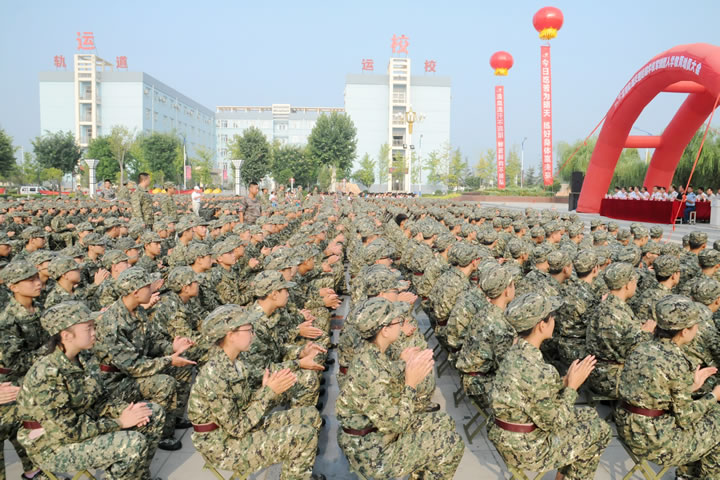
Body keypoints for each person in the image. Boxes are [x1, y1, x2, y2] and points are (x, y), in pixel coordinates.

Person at [17, 302, 164, 480]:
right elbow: (70, 431)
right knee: (133, 443)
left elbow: (101, 399)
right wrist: (119, 422)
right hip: (51, 445)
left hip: (84, 424)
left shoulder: (84, 357)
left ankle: (136, 475)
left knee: (152, 412)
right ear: (66, 335)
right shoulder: (47, 374)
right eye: (88, 328)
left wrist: (127, 411)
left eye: (93, 326)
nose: (94, 332)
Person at [188, 304, 325, 480]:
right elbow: (237, 428)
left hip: (237, 430)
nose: (253, 334)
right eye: (248, 330)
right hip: (223, 445)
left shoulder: (234, 362)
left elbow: (245, 406)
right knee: (303, 436)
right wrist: (268, 393)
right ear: (231, 335)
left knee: (310, 415)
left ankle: (298, 471)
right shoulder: (215, 375)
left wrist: (265, 390)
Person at [336, 298, 464, 479]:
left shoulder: (370, 354)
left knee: (444, 422)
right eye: (398, 321)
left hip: (375, 432)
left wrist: (403, 363)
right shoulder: (369, 369)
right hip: (370, 451)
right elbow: (397, 423)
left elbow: (384, 377)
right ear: (385, 330)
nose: (402, 325)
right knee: (452, 443)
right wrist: (410, 384)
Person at [488, 292, 611, 479]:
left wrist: (566, 380)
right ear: (541, 325)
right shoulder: (539, 370)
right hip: (527, 449)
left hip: (506, 437)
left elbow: (531, 392)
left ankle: (563, 476)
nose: (554, 320)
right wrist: (572, 387)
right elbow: (556, 423)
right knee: (600, 431)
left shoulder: (513, 353)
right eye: (551, 316)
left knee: (589, 414)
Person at [617, 295, 720, 479]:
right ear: (684, 332)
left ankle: (686, 475)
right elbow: (686, 419)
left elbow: (653, 394)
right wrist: (713, 395)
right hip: (654, 440)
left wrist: (692, 387)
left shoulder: (642, 348)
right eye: (695, 326)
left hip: (627, 428)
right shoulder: (676, 361)